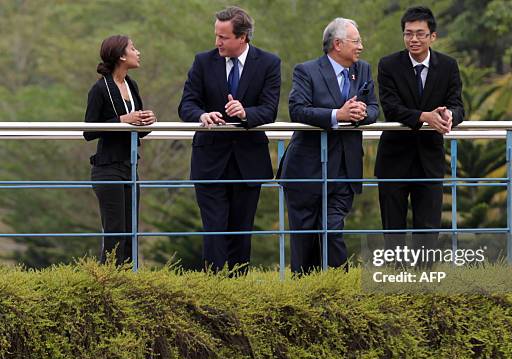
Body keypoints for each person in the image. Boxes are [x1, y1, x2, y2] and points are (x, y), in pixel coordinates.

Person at [178, 6, 281, 274]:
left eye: (223, 37)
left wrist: (246, 113)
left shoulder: (269, 63)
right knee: (213, 229)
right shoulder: (203, 61)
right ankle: (214, 288)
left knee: (241, 229)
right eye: (216, 35)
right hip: (209, 161)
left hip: (249, 162)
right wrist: (202, 115)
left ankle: (238, 290)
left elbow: (269, 109)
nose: (217, 42)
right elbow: (186, 104)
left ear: (243, 37)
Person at [278, 18, 379, 275]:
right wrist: (337, 115)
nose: (361, 47)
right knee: (305, 240)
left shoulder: (363, 69)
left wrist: (362, 112)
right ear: (337, 44)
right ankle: (305, 296)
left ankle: (338, 289)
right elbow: (297, 110)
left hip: (345, 169)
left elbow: (375, 109)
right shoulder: (307, 71)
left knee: (333, 228)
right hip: (306, 169)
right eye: (356, 41)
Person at [375, 6, 464, 259]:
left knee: (428, 230)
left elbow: (458, 105)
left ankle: (423, 287)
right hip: (394, 160)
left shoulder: (448, 66)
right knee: (393, 231)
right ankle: (395, 285)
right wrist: (424, 117)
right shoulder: (389, 65)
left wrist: (449, 117)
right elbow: (391, 108)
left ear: (432, 36)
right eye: (408, 34)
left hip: (430, 160)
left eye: (420, 34)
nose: (413, 39)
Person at [84, 35, 157, 265]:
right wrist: (122, 119)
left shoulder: (131, 84)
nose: (138, 52)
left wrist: (147, 120)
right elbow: (89, 131)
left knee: (130, 231)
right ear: (121, 56)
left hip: (130, 166)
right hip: (107, 168)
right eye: (133, 49)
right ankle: (109, 284)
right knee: (115, 231)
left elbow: (137, 129)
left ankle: (128, 283)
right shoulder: (99, 88)